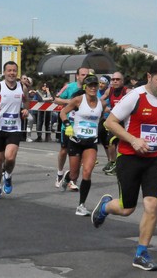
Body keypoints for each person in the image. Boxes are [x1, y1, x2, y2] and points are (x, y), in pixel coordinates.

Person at [91, 59, 157, 271]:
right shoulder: (135, 97)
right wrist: (133, 139)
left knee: (152, 205)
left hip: (153, 161)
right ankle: (104, 207)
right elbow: (109, 122)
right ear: (149, 77)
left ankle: (141, 253)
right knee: (127, 208)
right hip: (129, 158)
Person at [0, 61, 30, 200]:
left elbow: (27, 101)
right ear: (4, 72)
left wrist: (26, 109)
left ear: (17, 73)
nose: (12, 73)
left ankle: (7, 175)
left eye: (14, 70)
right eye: (9, 70)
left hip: (14, 128)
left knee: (10, 157)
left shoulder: (22, 87)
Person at [58, 74, 103, 216]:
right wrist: (68, 125)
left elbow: (100, 118)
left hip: (90, 142)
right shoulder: (78, 100)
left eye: (95, 85)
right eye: (90, 85)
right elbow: (63, 112)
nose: (93, 88)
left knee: (87, 172)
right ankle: (67, 177)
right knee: (74, 175)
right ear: (85, 87)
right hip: (76, 141)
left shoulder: (101, 103)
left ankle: (81, 205)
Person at [53, 66, 89, 190]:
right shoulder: (69, 87)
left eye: (87, 75)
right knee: (64, 151)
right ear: (77, 76)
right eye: (83, 75)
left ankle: (72, 180)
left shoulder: (90, 89)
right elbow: (56, 99)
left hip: (82, 127)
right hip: (68, 126)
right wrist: (71, 101)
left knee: (78, 155)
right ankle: (60, 173)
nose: (85, 77)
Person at [100, 71, 130, 175]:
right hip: (115, 121)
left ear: (122, 81)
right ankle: (113, 162)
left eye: (118, 79)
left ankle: (122, 165)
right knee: (110, 142)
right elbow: (100, 100)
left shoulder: (127, 91)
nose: (115, 81)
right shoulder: (110, 90)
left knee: (124, 143)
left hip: (126, 121)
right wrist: (106, 108)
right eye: (113, 79)